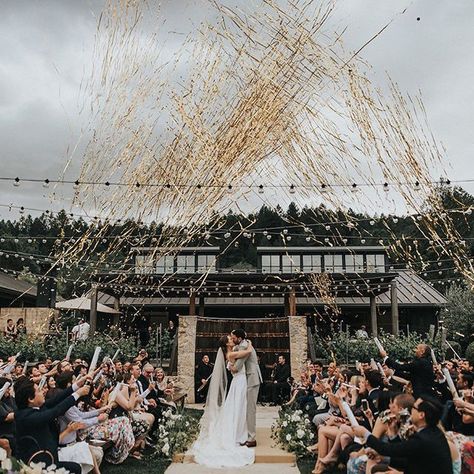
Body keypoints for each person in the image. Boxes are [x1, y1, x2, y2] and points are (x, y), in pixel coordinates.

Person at [192, 334, 255, 468]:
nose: (232, 339)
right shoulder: (231, 354)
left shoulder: (231, 352)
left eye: (232, 338)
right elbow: (248, 352)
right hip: (240, 381)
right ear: (227, 344)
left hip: (239, 381)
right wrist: (248, 342)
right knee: (239, 407)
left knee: (237, 407)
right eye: (230, 339)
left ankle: (239, 431)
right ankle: (238, 434)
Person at [353, 395, 452, 474]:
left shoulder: (422, 439)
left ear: (421, 415)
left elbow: (387, 449)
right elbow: (406, 456)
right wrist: (384, 458)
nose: (411, 411)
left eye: (414, 408)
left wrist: (364, 433)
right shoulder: (435, 433)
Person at [14, 375, 91, 474]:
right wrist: (78, 394)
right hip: (37, 466)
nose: (42, 392)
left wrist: (77, 384)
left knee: (76, 468)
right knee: (75, 468)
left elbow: (57, 399)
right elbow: (56, 411)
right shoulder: (25, 416)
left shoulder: (34, 408)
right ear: (30, 399)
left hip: (48, 459)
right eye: (38, 390)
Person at [231, 329, 263, 447]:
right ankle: (246, 434)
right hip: (250, 377)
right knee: (247, 408)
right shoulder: (244, 344)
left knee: (250, 409)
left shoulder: (244, 346)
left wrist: (230, 364)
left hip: (252, 378)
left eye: (233, 338)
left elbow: (237, 366)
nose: (232, 339)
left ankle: (251, 438)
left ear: (239, 338)